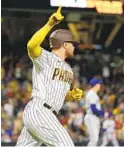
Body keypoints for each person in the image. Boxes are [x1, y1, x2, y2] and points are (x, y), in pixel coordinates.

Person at [16, 6, 84, 147]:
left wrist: (71, 95)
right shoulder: (46, 57)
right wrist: (50, 25)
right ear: (65, 44)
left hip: (47, 115)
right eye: (72, 44)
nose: (74, 47)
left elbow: (60, 94)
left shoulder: (68, 69)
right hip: (40, 110)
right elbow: (31, 46)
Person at [84, 77, 104, 146]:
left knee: (95, 139)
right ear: (96, 85)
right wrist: (102, 113)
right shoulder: (91, 94)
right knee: (94, 139)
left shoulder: (94, 94)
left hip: (94, 117)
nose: (100, 85)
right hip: (91, 117)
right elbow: (93, 109)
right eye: (99, 84)